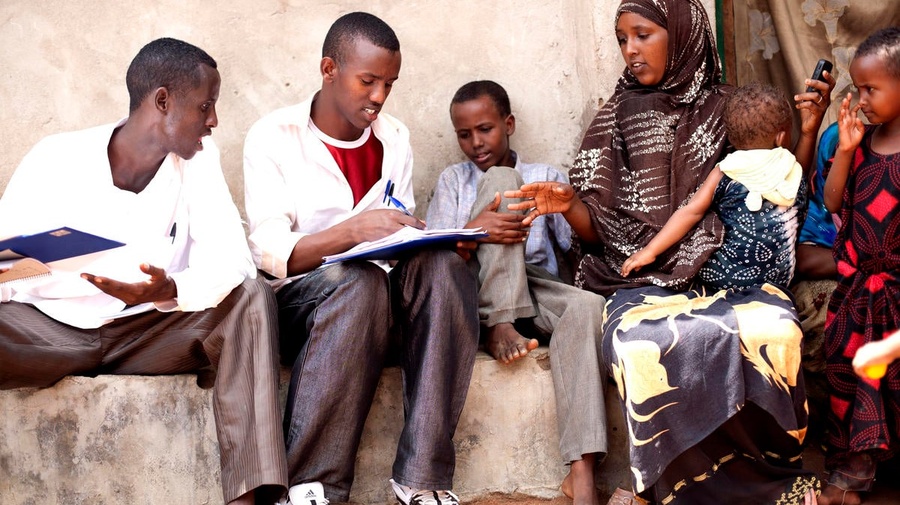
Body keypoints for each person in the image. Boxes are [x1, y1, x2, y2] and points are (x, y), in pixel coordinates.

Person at [504, 0, 833, 503]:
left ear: (682, 34)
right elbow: (601, 233)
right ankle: (681, 490)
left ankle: (765, 483)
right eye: (622, 39)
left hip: (723, 270)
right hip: (635, 279)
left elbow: (780, 179)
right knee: (647, 345)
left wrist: (808, 131)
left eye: (642, 35)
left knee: (771, 331)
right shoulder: (614, 117)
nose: (630, 50)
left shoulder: (730, 108)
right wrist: (570, 207)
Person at [0, 38, 287, 504]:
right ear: (162, 101)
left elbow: (233, 262)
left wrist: (170, 287)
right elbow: (4, 264)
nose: (213, 121)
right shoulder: (54, 157)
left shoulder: (198, 162)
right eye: (206, 106)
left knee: (252, 296)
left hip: (147, 334)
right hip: (49, 333)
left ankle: (247, 497)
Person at [242, 12, 479, 505]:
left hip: (376, 305)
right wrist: (349, 233)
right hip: (302, 307)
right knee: (357, 282)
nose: (378, 97)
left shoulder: (394, 138)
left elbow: (398, 228)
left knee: (443, 267)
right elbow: (269, 254)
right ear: (329, 68)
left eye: (388, 84)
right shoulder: (274, 136)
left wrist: (431, 240)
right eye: (367, 81)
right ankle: (312, 486)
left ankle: (422, 479)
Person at [426, 80, 608, 505]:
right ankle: (498, 320)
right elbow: (438, 259)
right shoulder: (453, 180)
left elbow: (584, 246)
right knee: (502, 180)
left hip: (533, 285)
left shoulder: (546, 177)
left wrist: (570, 206)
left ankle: (581, 474)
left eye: (485, 129)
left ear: (508, 124)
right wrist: (476, 230)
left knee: (587, 307)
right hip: (471, 286)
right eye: (464, 134)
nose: (475, 143)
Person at [621, 82, 806, 290]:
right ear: (781, 137)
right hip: (780, 280)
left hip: (727, 281)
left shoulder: (726, 170)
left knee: (705, 235)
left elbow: (690, 212)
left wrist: (649, 251)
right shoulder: (792, 168)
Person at [820, 26, 900, 505]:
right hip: (859, 291)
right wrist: (846, 151)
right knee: (852, 369)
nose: (861, 98)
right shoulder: (860, 142)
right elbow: (832, 200)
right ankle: (853, 474)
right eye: (857, 88)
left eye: (871, 89)